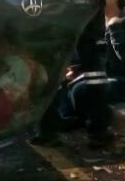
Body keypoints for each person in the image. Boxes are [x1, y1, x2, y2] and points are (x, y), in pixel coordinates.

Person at [30, 10, 115, 148]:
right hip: (85, 3)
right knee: (94, 73)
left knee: (51, 65)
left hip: (57, 6)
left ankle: (49, 131)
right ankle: (99, 131)